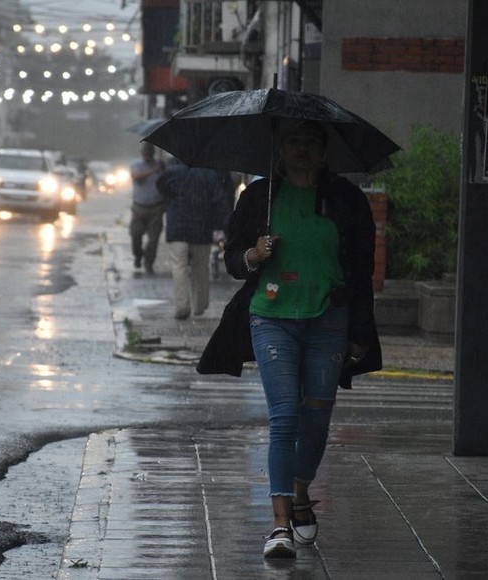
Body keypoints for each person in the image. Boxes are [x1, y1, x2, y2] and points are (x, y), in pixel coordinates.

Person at [196, 120, 383, 559]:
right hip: (271, 316)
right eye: (293, 141)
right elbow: (233, 259)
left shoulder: (346, 199)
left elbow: (362, 268)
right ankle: (280, 525)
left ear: (324, 151)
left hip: (329, 319)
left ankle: (300, 494)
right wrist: (254, 255)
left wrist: (360, 330)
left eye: (310, 142)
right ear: (279, 148)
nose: (301, 149)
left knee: (316, 419)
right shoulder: (258, 197)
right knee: (283, 418)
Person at [157, 161, 235, 319]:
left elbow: (160, 185)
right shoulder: (209, 174)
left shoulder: (172, 173)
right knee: (200, 267)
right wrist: (224, 227)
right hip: (201, 228)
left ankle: (182, 307)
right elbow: (219, 200)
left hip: (178, 227)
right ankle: (199, 305)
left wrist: (172, 197)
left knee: (179, 267)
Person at [129, 142, 165, 273]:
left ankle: (149, 262)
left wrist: (162, 169)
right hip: (139, 207)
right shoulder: (136, 164)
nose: (147, 155)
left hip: (156, 207)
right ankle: (138, 255)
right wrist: (153, 171)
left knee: (153, 239)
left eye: (149, 153)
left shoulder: (160, 166)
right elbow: (136, 177)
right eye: (145, 153)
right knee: (136, 234)